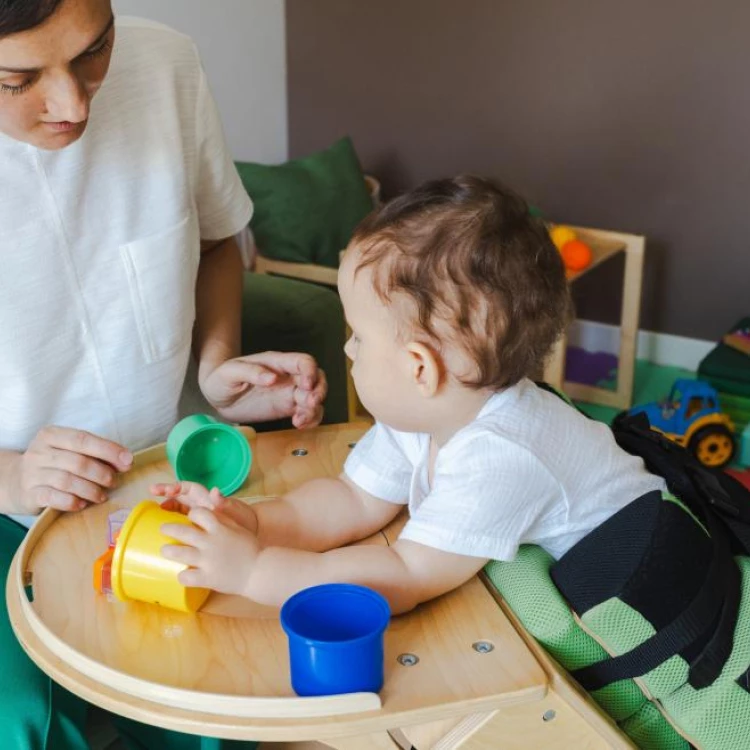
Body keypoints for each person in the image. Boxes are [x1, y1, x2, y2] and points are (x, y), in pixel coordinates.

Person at [0, 0, 326, 747]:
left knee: (217, 685)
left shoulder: (166, 63)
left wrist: (216, 370)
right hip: (5, 503)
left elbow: (215, 241)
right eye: (17, 79)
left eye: (93, 50)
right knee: (18, 721)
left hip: (168, 468)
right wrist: (13, 477)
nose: (74, 103)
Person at [152, 175, 667, 616]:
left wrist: (255, 574)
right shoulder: (427, 413)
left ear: (420, 367)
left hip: (643, 591)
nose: (348, 350)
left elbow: (403, 576)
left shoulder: (501, 453)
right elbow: (350, 502)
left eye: (358, 335)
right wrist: (254, 524)